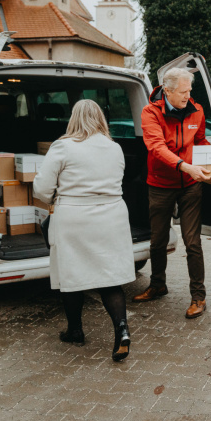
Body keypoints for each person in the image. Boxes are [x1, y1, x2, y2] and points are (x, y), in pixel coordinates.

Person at [33, 99, 136, 362]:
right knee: (109, 277)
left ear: (73, 119)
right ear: (101, 118)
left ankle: (75, 331)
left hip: (75, 219)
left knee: (72, 273)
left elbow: (42, 190)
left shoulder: (63, 146)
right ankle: (121, 329)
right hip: (111, 217)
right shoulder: (115, 148)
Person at [136, 67, 211, 319]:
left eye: (190, 90)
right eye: (183, 91)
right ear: (167, 91)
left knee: (193, 242)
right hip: (159, 184)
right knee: (157, 240)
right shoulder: (151, 112)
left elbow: (200, 141)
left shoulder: (197, 110)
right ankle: (158, 285)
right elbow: (155, 147)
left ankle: (198, 297)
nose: (188, 95)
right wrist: (184, 165)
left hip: (190, 186)